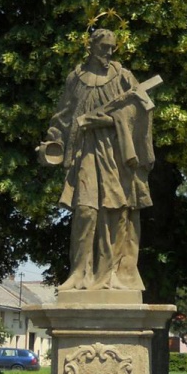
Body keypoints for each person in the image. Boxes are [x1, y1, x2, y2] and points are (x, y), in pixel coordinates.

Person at [38, 28, 156, 292]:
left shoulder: (124, 77)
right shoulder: (76, 79)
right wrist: (53, 141)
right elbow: (63, 116)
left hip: (117, 154)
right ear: (90, 46)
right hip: (86, 151)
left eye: (112, 47)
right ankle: (79, 273)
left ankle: (111, 275)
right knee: (85, 210)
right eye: (104, 47)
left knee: (116, 212)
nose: (109, 52)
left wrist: (111, 120)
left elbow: (141, 110)